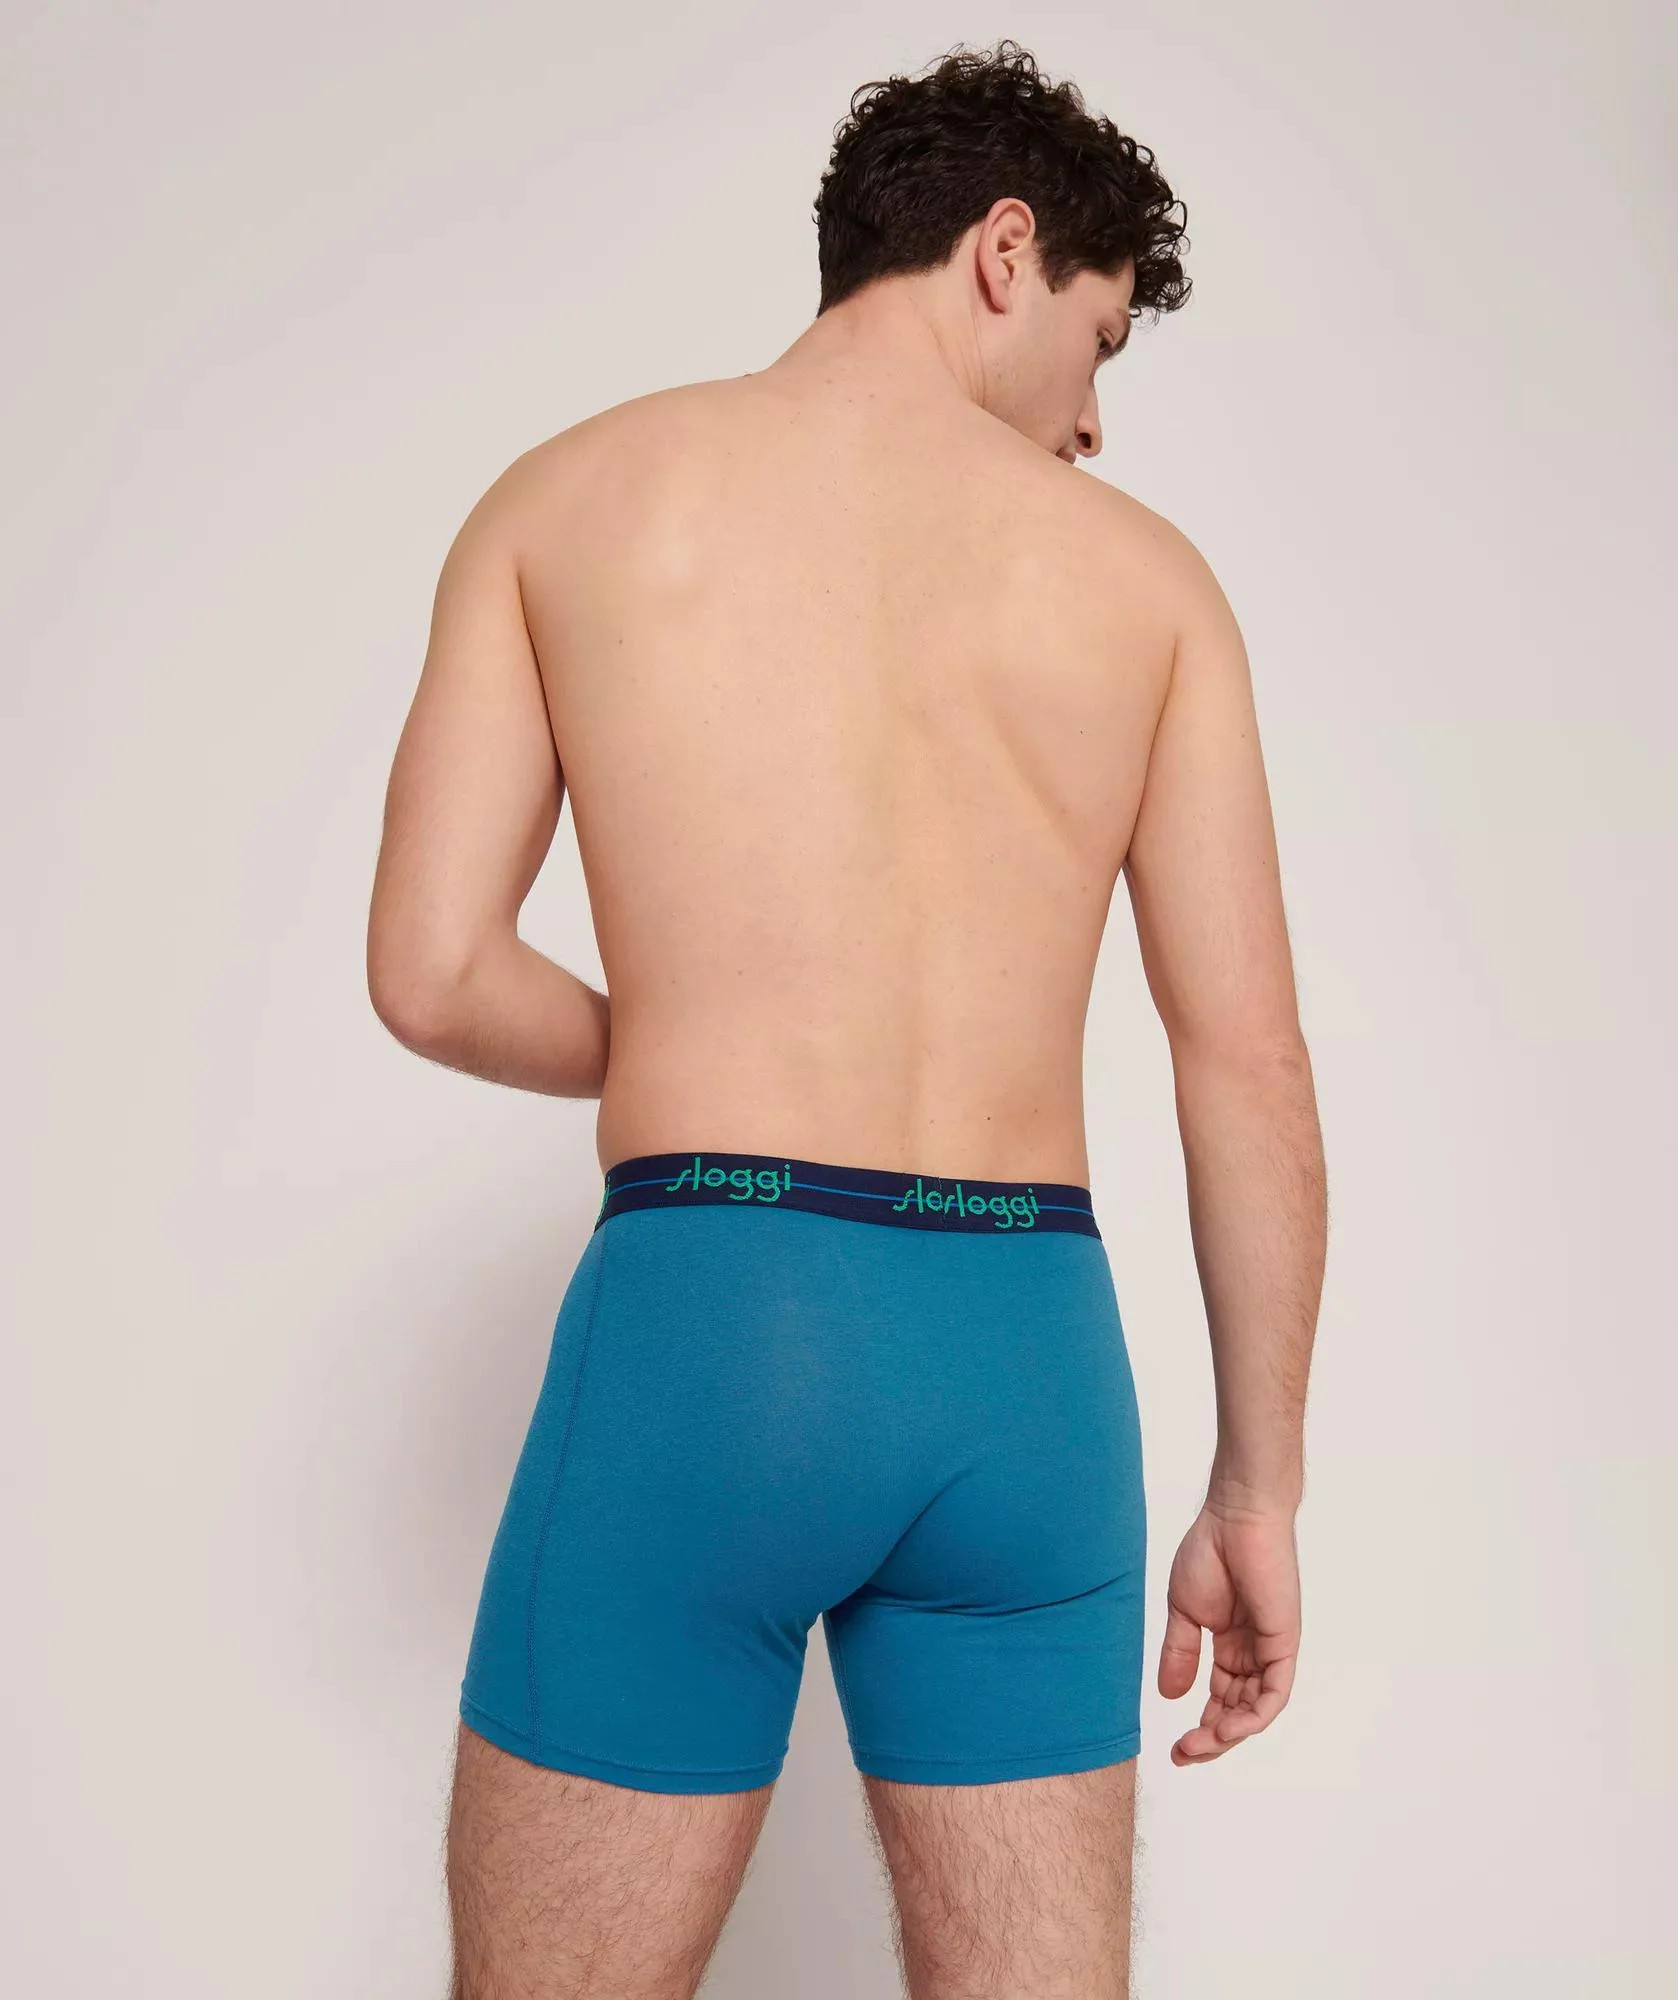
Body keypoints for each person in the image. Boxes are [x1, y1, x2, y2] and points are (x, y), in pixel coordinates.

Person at [367, 38, 1326, 2000]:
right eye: (1101, 341)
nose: (1094, 419)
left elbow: (434, 969)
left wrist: (671, 1042)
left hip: (712, 1320)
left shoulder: (571, 499)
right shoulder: (1152, 590)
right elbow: (1247, 1060)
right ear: (1002, 252)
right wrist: (1259, 1488)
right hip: (1028, 1363)